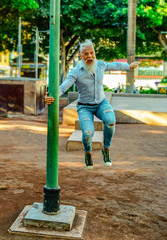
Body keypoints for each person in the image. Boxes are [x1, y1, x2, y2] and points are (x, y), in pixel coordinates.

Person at [45, 39, 140, 170]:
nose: (90, 56)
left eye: (92, 53)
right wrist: (52, 96)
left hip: (101, 103)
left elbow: (115, 65)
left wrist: (129, 66)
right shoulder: (76, 72)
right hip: (85, 106)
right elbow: (63, 88)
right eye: (86, 54)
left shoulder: (100, 65)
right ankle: (88, 152)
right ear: (81, 56)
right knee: (88, 133)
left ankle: (106, 149)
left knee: (111, 121)